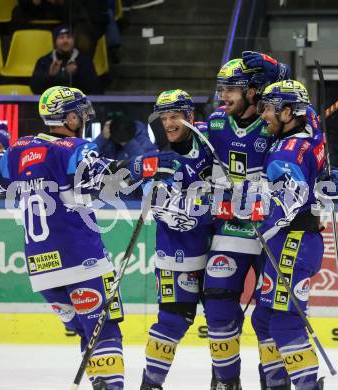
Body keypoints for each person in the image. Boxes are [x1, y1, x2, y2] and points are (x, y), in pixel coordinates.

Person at [0, 85, 175, 390]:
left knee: (89, 333)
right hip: (81, 260)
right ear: (70, 117)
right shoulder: (73, 148)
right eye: (81, 113)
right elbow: (111, 178)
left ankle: (100, 383)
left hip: (41, 268)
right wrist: (144, 165)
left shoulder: (20, 149)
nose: (84, 119)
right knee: (105, 331)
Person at [202, 53, 291, 390]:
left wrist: (277, 69)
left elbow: (305, 128)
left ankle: (275, 382)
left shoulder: (276, 122)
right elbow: (191, 157)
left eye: (232, 88)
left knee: (270, 315)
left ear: (254, 91)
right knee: (218, 306)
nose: (223, 95)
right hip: (232, 228)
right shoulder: (214, 124)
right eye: (221, 87)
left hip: (272, 231)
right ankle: (225, 381)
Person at [250, 80, 328, 390]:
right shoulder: (311, 136)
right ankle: (275, 384)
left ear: (286, 112)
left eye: (268, 109)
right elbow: (323, 180)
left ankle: (307, 385)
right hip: (289, 243)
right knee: (264, 319)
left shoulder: (285, 151)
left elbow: (287, 203)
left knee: (285, 323)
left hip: (293, 242)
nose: (262, 115)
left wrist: (252, 208)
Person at [139, 89, 214, 389]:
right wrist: (165, 206)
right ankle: (151, 384)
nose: (169, 123)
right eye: (164, 117)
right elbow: (152, 203)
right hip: (175, 252)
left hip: (218, 246)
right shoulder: (156, 158)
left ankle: (223, 381)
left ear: (190, 117)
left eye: (176, 116)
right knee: (172, 320)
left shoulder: (210, 140)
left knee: (222, 320)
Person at [31, 25, 101, 95]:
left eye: (69, 37)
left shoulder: (85, 61)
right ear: (55, 42)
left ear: (74, 40)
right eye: (61, 38)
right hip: (51, 103)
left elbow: (95, 90)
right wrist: (50, 75)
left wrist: (76, 75)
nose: (65, 41)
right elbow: (35, 89)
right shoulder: (44, 61)